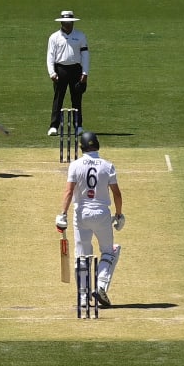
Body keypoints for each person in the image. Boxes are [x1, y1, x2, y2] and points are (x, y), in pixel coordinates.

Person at [56, 131, 124, 307]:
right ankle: (101, 285)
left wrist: (62, 214)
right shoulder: (108, 166)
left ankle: (83, 298)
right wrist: (118, 214)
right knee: (109, 251)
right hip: (101, 214)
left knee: (82, 256)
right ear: (97, 145)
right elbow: (116, 193)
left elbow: (69, 192)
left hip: (81, 215)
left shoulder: (75, 165)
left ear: (82, 147)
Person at [46, 10, 90, 136]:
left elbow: (85, 55)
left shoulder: (80, 36)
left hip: (76, 69)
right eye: (65, 22)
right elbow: (50, 56)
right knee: (58, 99)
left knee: (77, 99)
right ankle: (54, 126)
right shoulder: (54, 37)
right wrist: (52, 73)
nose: (68, 24)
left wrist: (85, 73)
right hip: (60, 70)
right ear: (61, 23)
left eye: (70, 22)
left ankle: (78, 126)